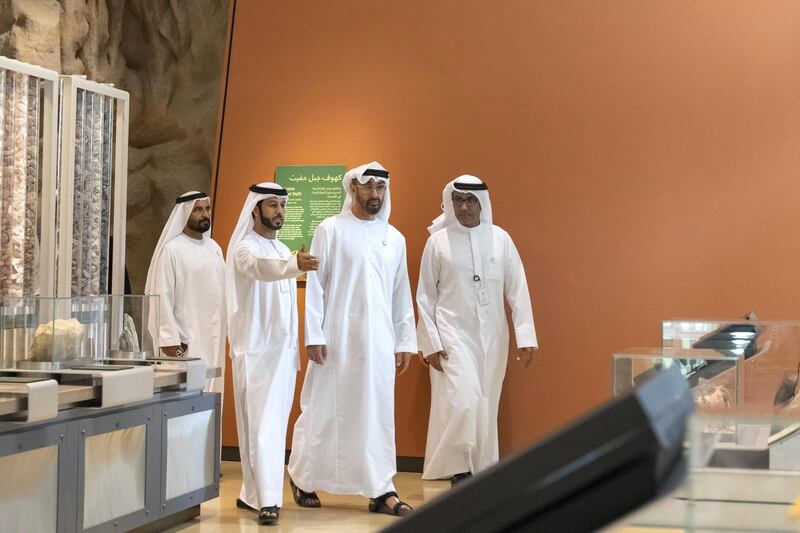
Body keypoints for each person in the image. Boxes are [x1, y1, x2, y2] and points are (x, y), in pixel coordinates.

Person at [287, 162, 417, 516]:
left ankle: (381, 488)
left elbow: (399, 292)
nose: (375, 194)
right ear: (354, 189)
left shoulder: (395, 237)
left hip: (377, 342)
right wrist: (313, 334)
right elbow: (316, 285)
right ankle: (303, 475)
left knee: (376, 411)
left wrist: (405, 341)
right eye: (368, 186)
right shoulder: (330, 230)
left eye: (381, 188)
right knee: (325, 408)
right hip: (335, 337)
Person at [416, 175, 538, 486]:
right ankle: (460, 468)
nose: (464, 206)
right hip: (452, 332)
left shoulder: (500, 239)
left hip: (493, 335)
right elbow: (425, 296)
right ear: (450, 203)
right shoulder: (437, 243)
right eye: (457, 200)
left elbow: (518, 289)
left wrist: (526, 336)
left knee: (486, 402)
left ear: (481, 202)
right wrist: (429, 342)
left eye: (470, 200)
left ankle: (481, 469)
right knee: (464, 399)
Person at [226, 182, 319, 525]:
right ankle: (268, 501)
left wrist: (292, 261)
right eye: (272, 205)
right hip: (255, 353)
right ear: (255, 209)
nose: (279, 211)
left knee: (270, 427)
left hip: (282, 354)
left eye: (282, 205)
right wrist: (295, 263)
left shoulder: (282, 249)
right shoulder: (244, 248)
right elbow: (261, 269)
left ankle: (251, 494)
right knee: (262, 426)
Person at [145, 191, 226, 394]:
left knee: (212, 397)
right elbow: (162, 298)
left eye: (207, 209)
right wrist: (169, 341)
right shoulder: (172, 250)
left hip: (214, 338)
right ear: (185, 213)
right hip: (186, 342)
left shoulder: (214, 247)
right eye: (198, 209)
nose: (204, 214)